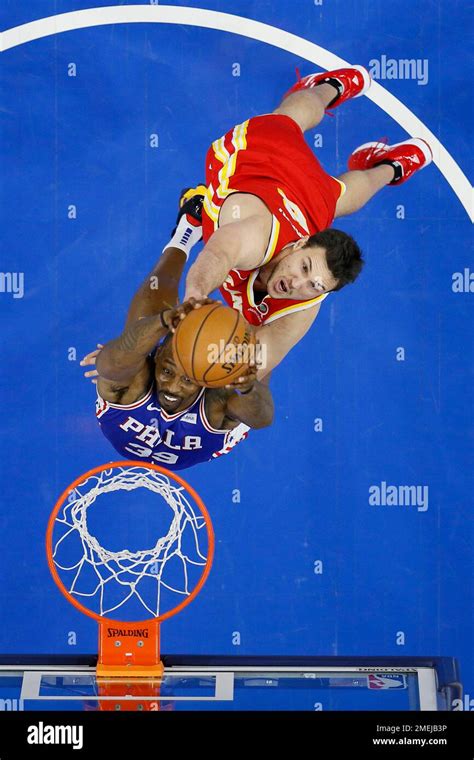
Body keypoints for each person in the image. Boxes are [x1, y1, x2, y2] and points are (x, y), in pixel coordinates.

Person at [183, 65, 433, 376]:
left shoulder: (304, 304)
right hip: (261, 157)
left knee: (341, 196)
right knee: (289, 120)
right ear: (301, 243)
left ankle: (393, 166)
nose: (297, 284)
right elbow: (218, 255)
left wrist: (226, 383)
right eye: (304, 267)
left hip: (306, 202)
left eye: (314, 285)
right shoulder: (256, 237)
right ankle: (332, 87)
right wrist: (196, 295)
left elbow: (259, 362)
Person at [81, 190, 273, 470]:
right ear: (157, 356)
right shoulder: (214, 405)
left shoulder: (209, 395)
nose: (172, 387)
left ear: (204, 382)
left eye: (187, 380)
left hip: (122, 427)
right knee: (249, 358)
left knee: (136, 337)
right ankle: (261, 295)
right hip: (188, 436)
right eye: (168, 371)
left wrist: (158, 324)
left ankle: (186, 231)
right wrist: (249, 385)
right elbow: (262, 416)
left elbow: (109, 365)